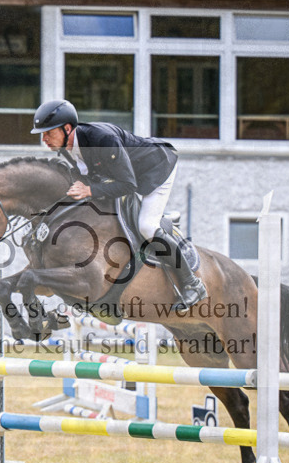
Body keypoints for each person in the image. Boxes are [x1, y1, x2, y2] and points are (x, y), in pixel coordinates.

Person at [30, 98, 208, 312]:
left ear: (67, 128)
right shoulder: (67, 147)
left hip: (157, 168)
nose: (44, 139)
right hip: (128, 175)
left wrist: (90, 190)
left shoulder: (102, 139)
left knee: (147, 226)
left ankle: (192, 283)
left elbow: (127, 184)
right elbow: (89, 177)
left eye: (48, 133)